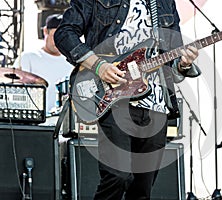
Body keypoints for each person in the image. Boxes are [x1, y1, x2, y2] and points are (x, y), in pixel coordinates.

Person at [54, 0, 201, 199]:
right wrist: (99, 66)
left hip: (156, 102)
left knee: (142, 188)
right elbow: (64, 34)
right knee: (117, 176)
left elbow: (172, 59)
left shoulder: (164, 3)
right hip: (114, 98)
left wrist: (183, 63)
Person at [13, 14, 74, 116]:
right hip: (34, 123)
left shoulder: (72, 62)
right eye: (56, 35)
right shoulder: (27, 58)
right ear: (45, 31)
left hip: (62, 123)